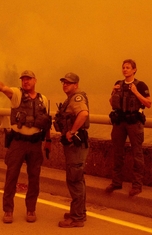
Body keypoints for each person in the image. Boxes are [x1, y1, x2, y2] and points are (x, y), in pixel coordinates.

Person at [0, 70, 52, 224]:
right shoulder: (16, 95)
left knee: (34, 178)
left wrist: (48, 141)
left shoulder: (44, 100)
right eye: (23, 79)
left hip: (35, 144)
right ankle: (8, 210)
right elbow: (3, 88)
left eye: (29, 79)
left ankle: (31, 209)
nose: (25, 82)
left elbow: (47, 122)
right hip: (18, 143)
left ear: (35, 80)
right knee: (11, 176)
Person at [106, 59, 152, 197]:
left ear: (134, 70)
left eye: (128, 67)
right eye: (123, 67)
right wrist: (112, 92)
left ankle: (137, 185)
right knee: (117, 153)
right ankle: (116, 182)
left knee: (137, 154)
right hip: (119, 122)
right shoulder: (118, 84)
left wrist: (136, 92)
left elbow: (149, 103)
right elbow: (111, 103)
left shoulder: (141, 85)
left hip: (134, 123)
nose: (125, 70)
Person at [54, 72, 89, 228]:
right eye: (63, 82)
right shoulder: (70, 99)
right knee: (78, 179)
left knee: (74, 180)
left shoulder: (76, 98)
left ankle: (77, 218)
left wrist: (72, 131)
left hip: (75, 145)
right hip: (74, 146)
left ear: (76, 85)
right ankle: (80, 211)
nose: (65, 85)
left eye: (68, 83)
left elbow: (83, 113)